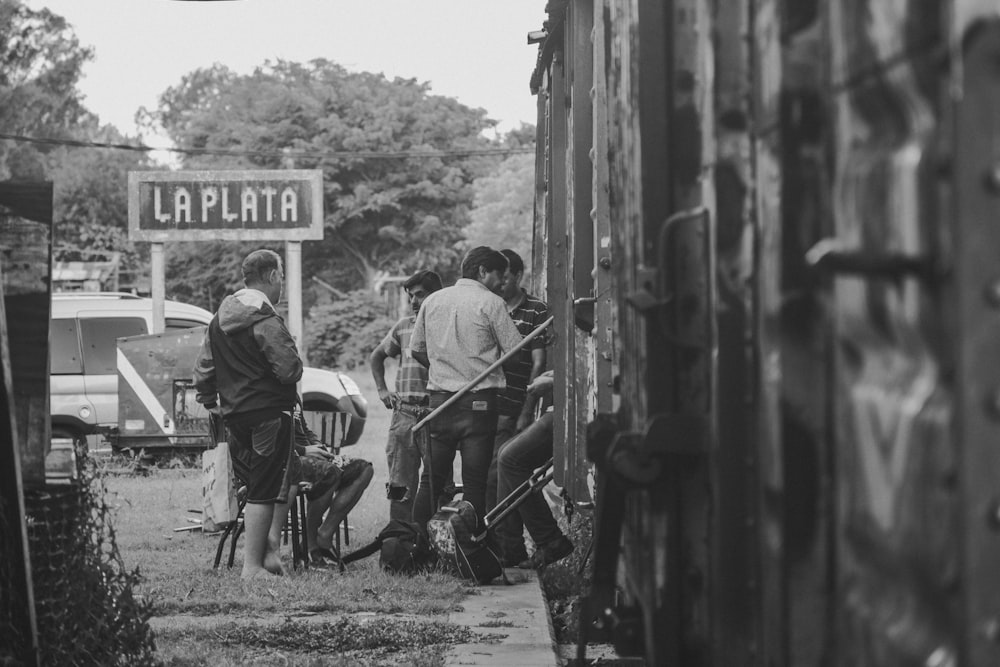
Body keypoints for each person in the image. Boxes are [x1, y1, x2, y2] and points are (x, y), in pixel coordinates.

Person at [194, 248, 302, 579]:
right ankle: (252, 567)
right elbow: (289, 370)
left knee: (264, 483)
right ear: (271, 276)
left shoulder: (217, 321)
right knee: (264, 489)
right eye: (281, 277)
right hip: (270, 414)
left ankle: (268, 556)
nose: (281, 284)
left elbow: (203, 370)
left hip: (235, 418)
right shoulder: (266, 321)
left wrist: (212, 400)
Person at [408, 247, 524, 532]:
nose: (501, 282)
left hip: (439, 403)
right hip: (479, 406)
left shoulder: (432, 301)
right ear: (483, 271)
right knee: (475, 482)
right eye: (500, 275)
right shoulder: (492, 302)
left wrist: (444, 369)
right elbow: (516, 353)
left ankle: (417, 546)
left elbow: (417, 349)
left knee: (430, 481)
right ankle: (472, 547)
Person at [485, 249, 551, 564]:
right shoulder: (490, 308)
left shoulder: (537, 310)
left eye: (507, 277)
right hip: (490, 405)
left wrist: (528, 409)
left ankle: (509, 549)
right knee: (496, 476)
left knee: (504, 472)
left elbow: (539, 364)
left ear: (518, 275)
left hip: (517, 405)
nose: (500, 284)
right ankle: (505, 547)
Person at [368, 269, 443, 521]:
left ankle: (432, 542)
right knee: (400, 484)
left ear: (437, 295)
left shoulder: (447, 325)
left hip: (436, 411)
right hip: (404, 413)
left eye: (420, 295)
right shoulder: (403, 326)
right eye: (411, 296)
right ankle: (398, 544)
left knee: (439, 484)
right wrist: (381, 389)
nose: (414, 302)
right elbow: (376, 356)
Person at [495, 370, 574, 569]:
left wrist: (552, 380)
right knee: (505, 455)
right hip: (559, 407)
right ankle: (510, 549)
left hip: (570, 408)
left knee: (510, 458)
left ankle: (550, 540)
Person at [288, 407, 374, 567]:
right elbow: (274, 439)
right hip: (289, 459)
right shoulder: (269, 395)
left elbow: (304, 429)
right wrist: (304, 450)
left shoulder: (291, 392)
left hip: (311, 456)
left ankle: (325, 534)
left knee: (364, 469)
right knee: (329, 473)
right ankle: (309, 544)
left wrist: (319, 448)